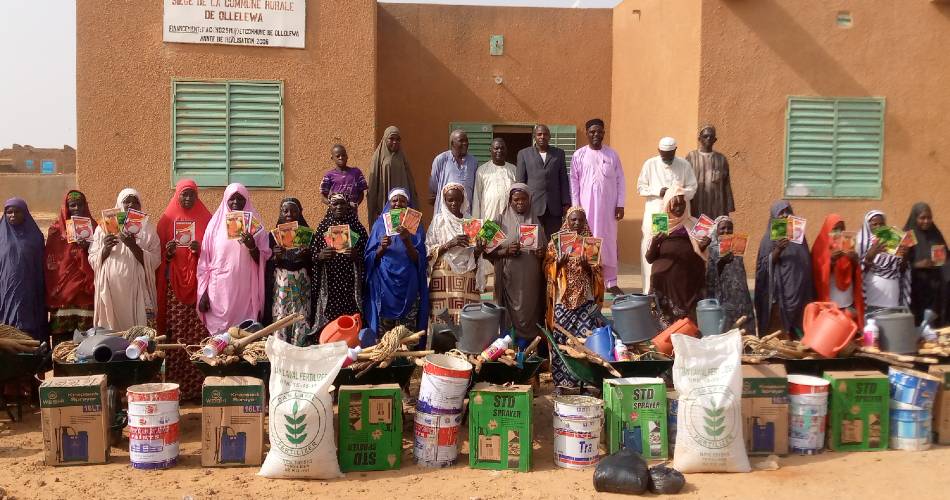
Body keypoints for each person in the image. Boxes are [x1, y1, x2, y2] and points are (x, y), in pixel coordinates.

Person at [156, 179, 211, 401]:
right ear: (177, 195)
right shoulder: (167, 220)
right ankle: (175, 386)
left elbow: (214, 252)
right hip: (174, 288)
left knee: (197, 336)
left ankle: (197, 387)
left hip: (198, 286)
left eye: (191, 195)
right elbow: (156, 257)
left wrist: (201, 250)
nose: (188, 199)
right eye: (184, 194)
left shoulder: (207, 219)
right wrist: (167, 254)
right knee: (176, 335)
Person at [197, 183, 272, 334]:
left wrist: (252, 247)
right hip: (218, 290)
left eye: (240, 198)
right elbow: (204, 262)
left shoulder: (257, 227)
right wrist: (203, 292)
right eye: (232, 198)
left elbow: (264, 258)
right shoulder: (214, 226)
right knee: (220, 337)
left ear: (247, 200)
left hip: (246, 291)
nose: (236, 202)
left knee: (243, 334)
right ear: (225, 200)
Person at [544, 206, 605, 391]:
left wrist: (589, 268)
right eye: (573, 220)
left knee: (584, 342)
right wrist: (558, 264)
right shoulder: (555, 244)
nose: (577, 223)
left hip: (585, 300)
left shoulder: (590, 244)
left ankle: (584, 381)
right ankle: (562, 382)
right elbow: (546, 269)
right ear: (567, 220)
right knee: (561, 341)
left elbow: (599, 273)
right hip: (562, 300)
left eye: (580, 220)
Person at [88, 189, 162, 331]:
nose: (131, 205)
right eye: (127, 201)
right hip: (111, 290)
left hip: (138, 291)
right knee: (112, 330)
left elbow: (155, 260)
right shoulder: (103, 228)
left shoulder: (148, 229)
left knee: (138, 332)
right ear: (119, 204)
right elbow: (92, 258)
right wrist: (105, 249)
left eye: (135, 201)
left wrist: (133, 246)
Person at [570, 119, 626, 294]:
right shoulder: (578, 155)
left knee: (608, 242)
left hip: (608, 210)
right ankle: (588, 278)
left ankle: (610, 281)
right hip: (586, 209)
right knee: (588, 240)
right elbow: (574, 182)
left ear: (604, 133)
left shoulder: (612, 155)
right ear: (586, 133)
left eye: (599, 131)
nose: (596, 135)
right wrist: (576, 207)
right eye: (592, 132)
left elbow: (621, 180)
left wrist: (620, 204)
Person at [364, 188, 429, 336]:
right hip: (385, 286)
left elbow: (420, 261)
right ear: (389, 202)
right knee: (385, 337)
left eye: (402, 200)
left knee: (407, 336)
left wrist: (407, 242)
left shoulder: (415, 226)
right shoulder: (380, 225)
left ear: (407, 204)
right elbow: (369, 258)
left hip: (408, 285)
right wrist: (382, 248)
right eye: (394, 200)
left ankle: (406, 359)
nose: (398, 203)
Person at [637, 136, 698, 293]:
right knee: (655, 245)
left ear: (675, 151)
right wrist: (659, 191)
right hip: (659, 214)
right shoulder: (650, 164)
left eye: (670, 154)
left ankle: (675, 289)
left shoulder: (684, 165)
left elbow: (692, 187)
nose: (667, 157)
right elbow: (641, 188)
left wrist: (676, 193)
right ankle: (649, 290)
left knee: (678, 246)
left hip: (679, 215)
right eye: (664, 154)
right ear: (659, 151)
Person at [488, 184, 546, 346]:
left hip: (531, 283)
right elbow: (483, 250)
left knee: (531, 314)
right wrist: (505, 251)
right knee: (509, 317)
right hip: (508, 279)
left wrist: (543, 253)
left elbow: (548, 252)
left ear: (530, 200)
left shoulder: (537, 221)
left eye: (524, 199)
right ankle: (509, 348)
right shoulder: (498, 220)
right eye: (516, 199)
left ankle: (531, 350)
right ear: (510, 200)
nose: (520, 202)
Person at [645, 187, 709, 326]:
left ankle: (691, 333)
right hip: (665, 278)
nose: (679, 207)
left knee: (691, 319)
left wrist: (704, 245)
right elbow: (649, 258)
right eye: (675, 204)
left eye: (682, 203)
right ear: (668, 204)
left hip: (690, 277)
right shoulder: (660, 224)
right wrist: (656, 242)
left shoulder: (693, 223)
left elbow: (701, 252)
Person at [754, 200, 813, 337]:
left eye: (788, 211)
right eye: (781, 213)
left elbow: (806, 263)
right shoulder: (768, 240)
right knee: (779, 337)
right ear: (774, 216)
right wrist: (778, 250)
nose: (785, 215)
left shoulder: (800, 239)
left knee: (798, 338)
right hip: (779, 297)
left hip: (800, 296)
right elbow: (762, 268)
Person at [44, 190, 97, 344]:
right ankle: (61, 368)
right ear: (66, 207)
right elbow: (51, 262)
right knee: (62, 341)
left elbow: (101, 256)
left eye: (80, 205)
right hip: (62, 293)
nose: (76, 208)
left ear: (85, 206)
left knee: (85, 339)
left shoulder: (95, 227)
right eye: (72, 205)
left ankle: (84, 368)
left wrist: (88, 247)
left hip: (86, 291)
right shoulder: (55, 230)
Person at [311, 193, 368, 332]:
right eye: (335, 204)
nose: (339, 207)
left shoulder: (357, 228)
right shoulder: (322, 228)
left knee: (349, 316)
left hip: (350, 283)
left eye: (342, 203)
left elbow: (368, 255)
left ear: (348, 205)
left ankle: (350, 340)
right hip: (329, 283)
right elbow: (312, 254)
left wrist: (357, 255)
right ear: (329, 206)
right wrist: (320, 256)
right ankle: (329, 340)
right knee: (330, 317)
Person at [426, 183, 482, 325]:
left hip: (466, 274)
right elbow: (428, 250)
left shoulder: (471, 222)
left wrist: (479, 249)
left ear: (463, 200)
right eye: (450, 200)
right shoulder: (439, 221)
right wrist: (450, 243)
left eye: (457, 199)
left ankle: (465, 344)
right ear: (444, 200)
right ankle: (441, 344)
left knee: (466, 313)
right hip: (443, 273)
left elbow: (474, 255)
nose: (454, 203)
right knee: (442, 315)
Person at [264, 198, 313, 346]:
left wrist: (307, 254)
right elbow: (267, 263)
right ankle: (281, 348)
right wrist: (275, 256)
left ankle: (300, 348)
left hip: (302, 282)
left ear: (300, 213)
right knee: (280, 314)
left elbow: (314, 263)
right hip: (281, 282)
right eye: (285, 210)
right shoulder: (272, 237)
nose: (289, 214)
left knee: (301, 315)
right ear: (280, 213)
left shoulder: (308, 235)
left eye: (294, 210)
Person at [0, 198, 48, 341]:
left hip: (30, 290)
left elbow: (41, 265)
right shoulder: (0, 236)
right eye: (9, 212)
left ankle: (33, 358)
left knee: (29, 323)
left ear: (25, 213)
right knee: (7, 327)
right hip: (5, 289)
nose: (13, 215)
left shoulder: (35, 237)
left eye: (17, 212)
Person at [472, 137, 516, 290]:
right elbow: (477, 198)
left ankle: (504, 288)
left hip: (507, 220)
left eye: (502, 148)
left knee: (504, 252)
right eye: (496, 148)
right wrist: (476, 224)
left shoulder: (513, 170)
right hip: (489, 220)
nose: (499, 151)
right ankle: (482, 287)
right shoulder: (482, 171)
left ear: (506, 150)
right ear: (490, 150)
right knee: (486, 253)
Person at [516, 124, 570, 238]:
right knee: (533, 240)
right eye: (539, 134)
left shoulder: (559, 154)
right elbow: (520, 183)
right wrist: (521, 203)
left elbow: (563, 179)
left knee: (554, 240)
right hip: (532, 205)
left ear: (549, 136)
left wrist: (566, 203)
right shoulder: (524, 154)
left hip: (554, 206)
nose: (542, 137)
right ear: (534, 136)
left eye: (545, 134)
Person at [811, 214, 864, 327]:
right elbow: (817, 274)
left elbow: (856, 274)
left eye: (841, 229)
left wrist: (855, 260)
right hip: (830, 300)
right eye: (835, 229)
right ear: (828, 229)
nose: (839, 232)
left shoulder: (849, 243)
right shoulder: (819, 247)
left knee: (846, 330)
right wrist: (832, 261)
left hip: (847, 299)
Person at [706, 216, 755, 333]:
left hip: (741, 299)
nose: (726, 231)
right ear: (716, 230)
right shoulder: (711, 250)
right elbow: (710, 277)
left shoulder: (737, 248)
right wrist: (722, 262)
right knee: (726, 330)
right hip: (724, 298)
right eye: (722, 228)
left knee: (745, 331)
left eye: (729, 228)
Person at [857, 210, 911, 312]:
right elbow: (859, 272)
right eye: (874, 224)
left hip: (892, 301)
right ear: (868, 226)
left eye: (882, 224)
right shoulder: (862, 244)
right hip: (872, 300)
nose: (879, 227)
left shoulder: (893, 243)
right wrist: (870, 255)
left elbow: (902, 271)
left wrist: (905, 255)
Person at [903, 203, 944, 324]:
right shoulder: (908, 235)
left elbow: (943, 260)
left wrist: (939, 262)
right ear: (915, 217)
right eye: (922, 218)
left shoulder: (935, 234)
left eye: (929, 218)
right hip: (914, 289)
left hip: (933, 289)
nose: (926, 221)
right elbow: (898, 263)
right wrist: (917, 265)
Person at [368, 126, 417, 222]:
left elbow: (410, 182)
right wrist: (374, 207)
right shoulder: (378, 158)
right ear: (385, 139)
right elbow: (373, 184)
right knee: (387, 230)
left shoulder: (402, 157)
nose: (395, 142)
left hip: (402, 203)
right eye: (391, 139)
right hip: (384, 202)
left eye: (398, 139)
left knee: (403, 229)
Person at [686, 125, 735, 219]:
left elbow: (726, 184)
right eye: (705, 136)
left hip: (717, 205)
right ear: (699, 139)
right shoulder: (691, 157)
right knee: (697, 231)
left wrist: (729, 206)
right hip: (696, 203)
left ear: (715, 140)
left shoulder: (721, 159)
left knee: (716, 231)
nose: (708, 139)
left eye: (711, 137)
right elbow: (685, 180)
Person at [429, 129, 477, 215]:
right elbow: (434, 188)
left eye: (466, 141)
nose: (465, 143)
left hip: (466, 214)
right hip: (444, 214)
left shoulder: (473, 162)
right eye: (461, 141)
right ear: (452, 143)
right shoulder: (441, 160)